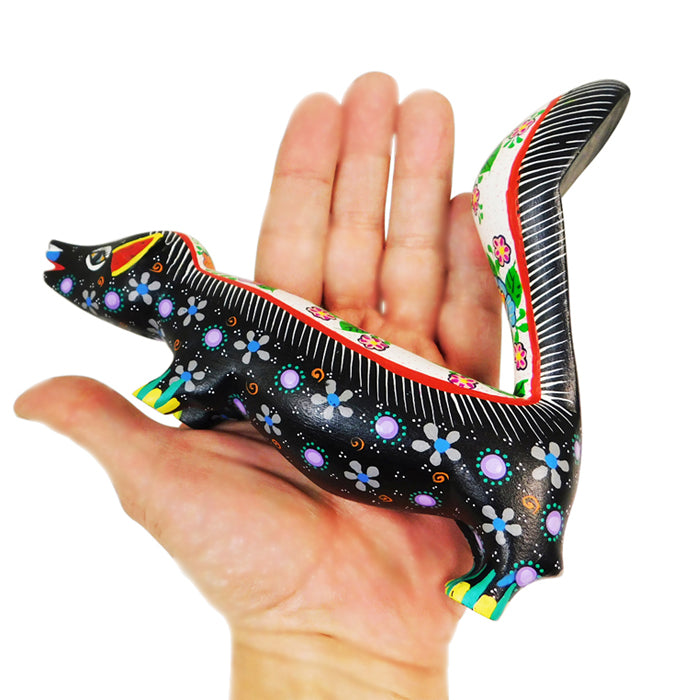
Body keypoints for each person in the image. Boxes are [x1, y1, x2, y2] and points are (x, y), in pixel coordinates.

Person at [15, 72, 501, 699]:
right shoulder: (207, 317)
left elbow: (215, 366)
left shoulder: (205, 317)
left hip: (436, 449)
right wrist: (344, 655)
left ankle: (510, 557)